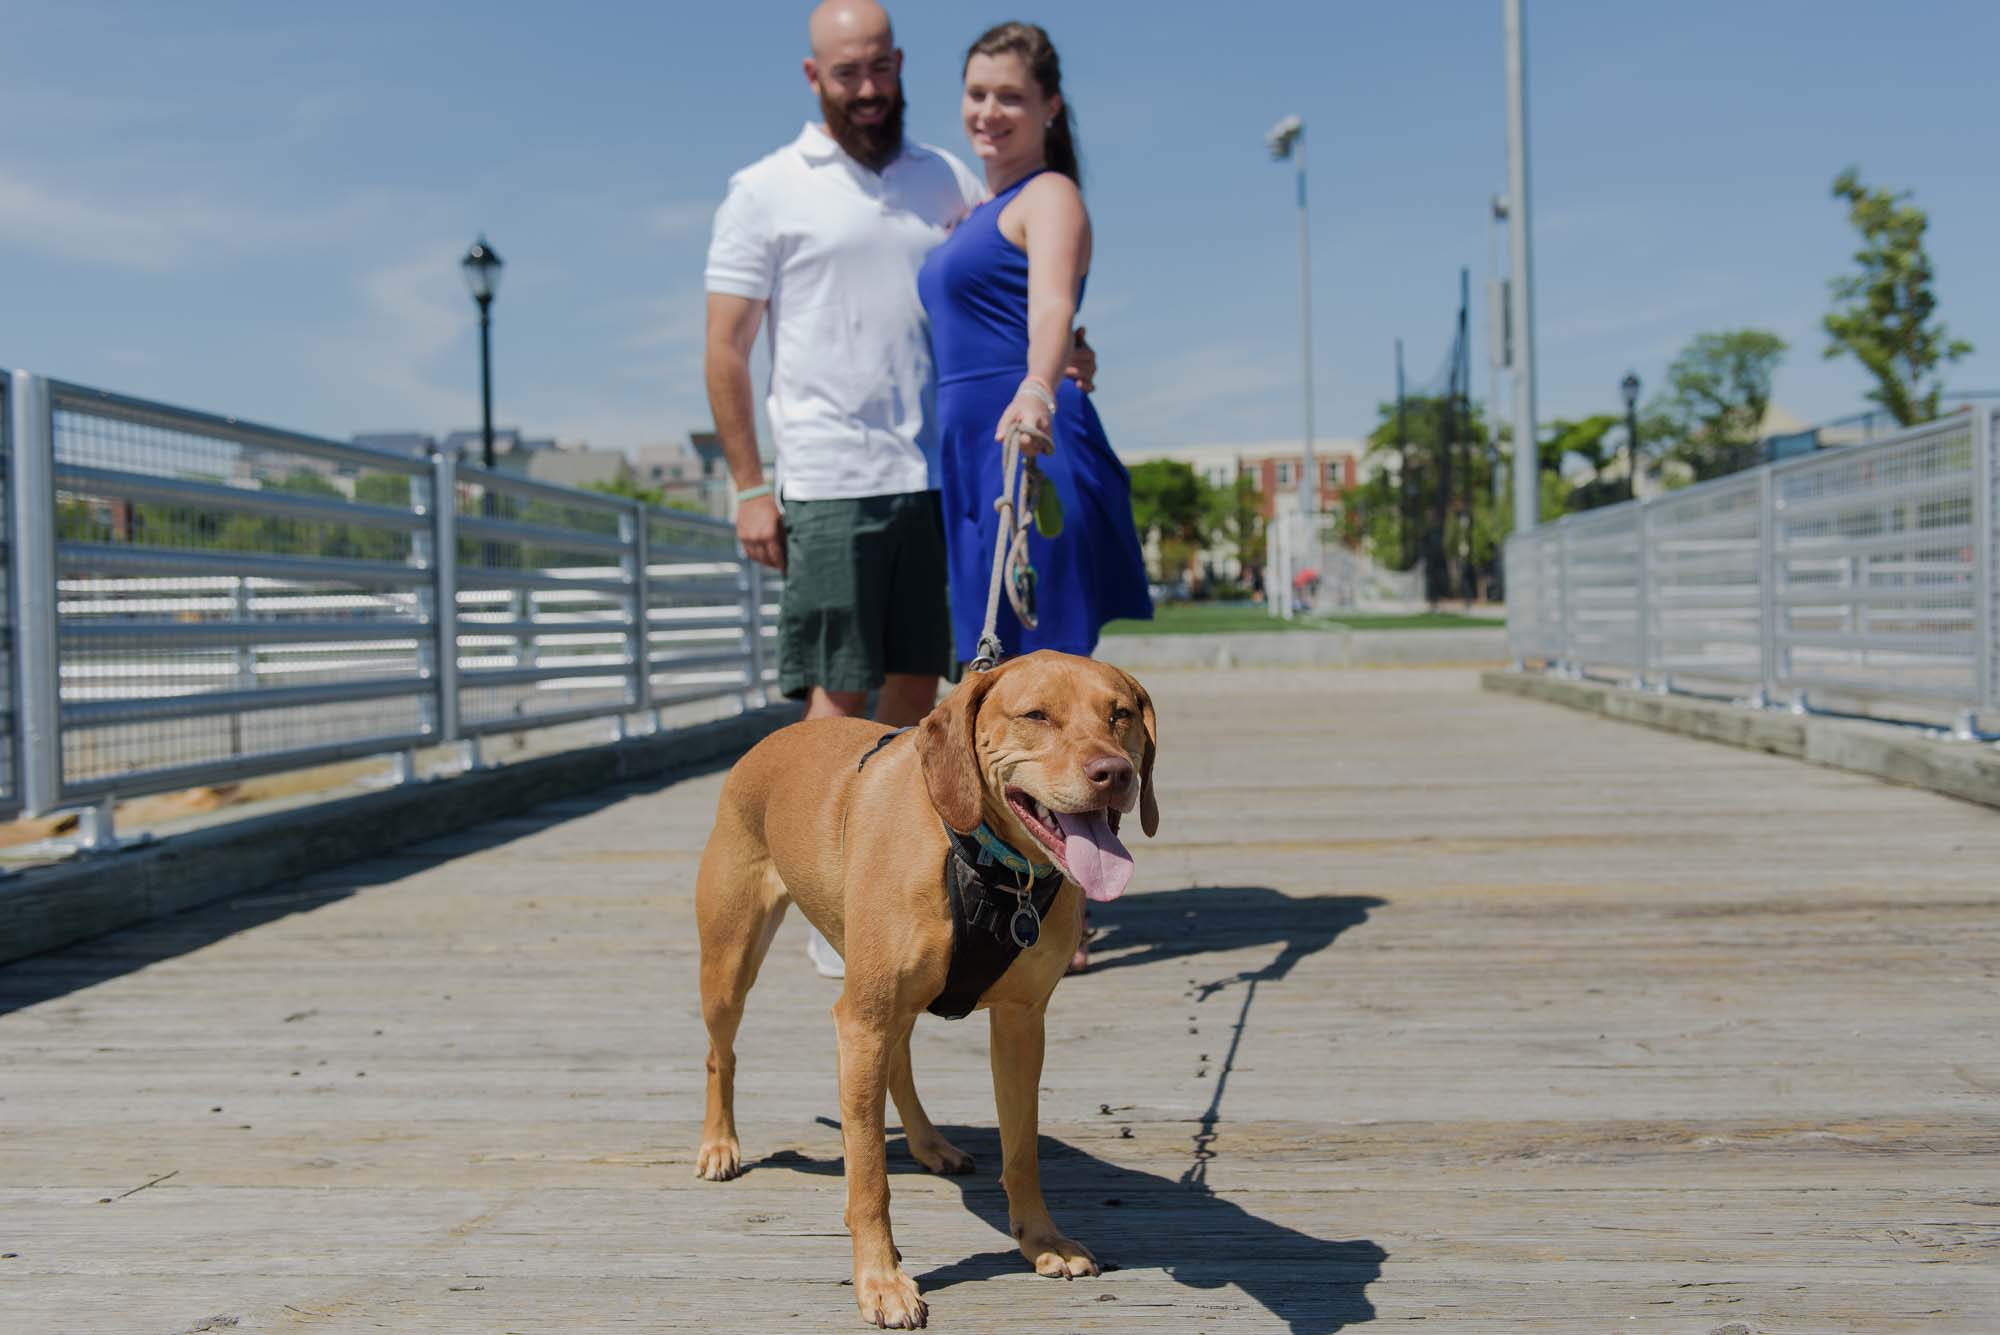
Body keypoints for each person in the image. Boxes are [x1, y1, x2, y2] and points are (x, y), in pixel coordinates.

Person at [702, 1, 1095, 980]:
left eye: (881, 68)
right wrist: (750, 485)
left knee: (920, 695)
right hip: (830, 479)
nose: (869, 89)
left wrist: (1061, 356)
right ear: (811, 76)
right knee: (835, 699)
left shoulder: (945, 177)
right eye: (847, 74)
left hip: (941, 475)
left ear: (899, 63)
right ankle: (825, 896)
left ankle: (910, 882)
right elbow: (724, 348)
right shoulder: (762, 189)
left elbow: (991, 290)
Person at [916, 21, 1152, 970]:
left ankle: (1068, 913)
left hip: (1026, 440)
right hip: (970, 445)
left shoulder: (1049, 193)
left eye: (1009, 96)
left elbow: (1050, 305)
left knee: (1049, 680)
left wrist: (1040, 385)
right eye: (975, 93)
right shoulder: (981, 206)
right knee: (996, 677)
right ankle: (1015, 888)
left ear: (1050, 107)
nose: (987, 111)